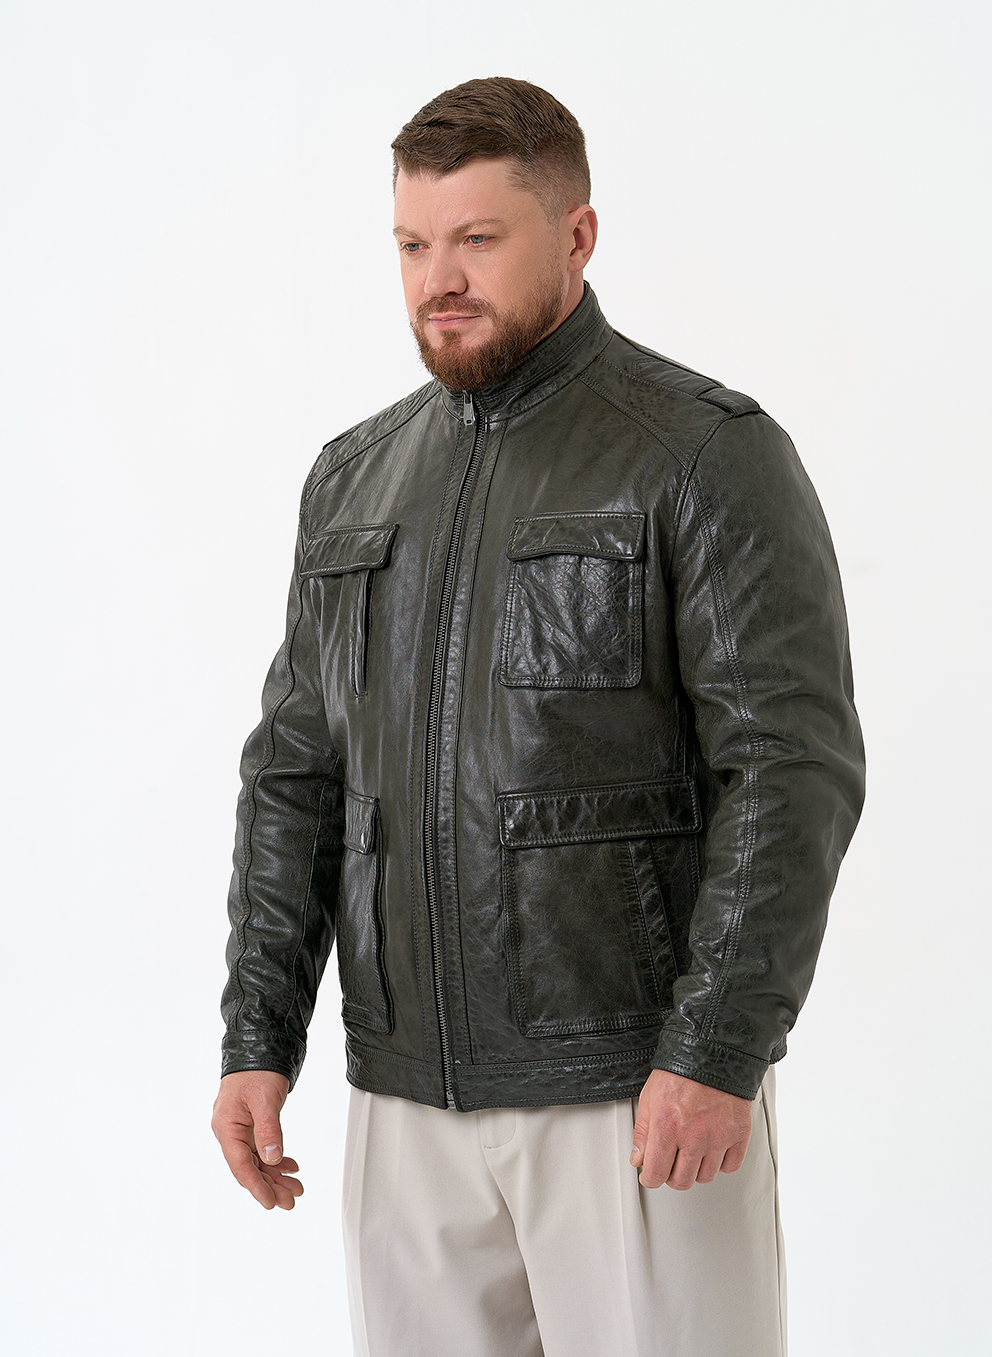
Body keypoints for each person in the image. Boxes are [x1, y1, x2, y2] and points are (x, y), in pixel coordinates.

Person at [212, 77, 865, 1357]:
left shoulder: (700, 452)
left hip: (631, 1088)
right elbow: (296, 774)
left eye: (476, 238)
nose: (438, 279)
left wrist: (715, 1047)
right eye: (412, 244)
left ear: (575, 236)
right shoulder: (353, 478)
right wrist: (257, 1034)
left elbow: (789, 768)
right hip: (404, 1095)